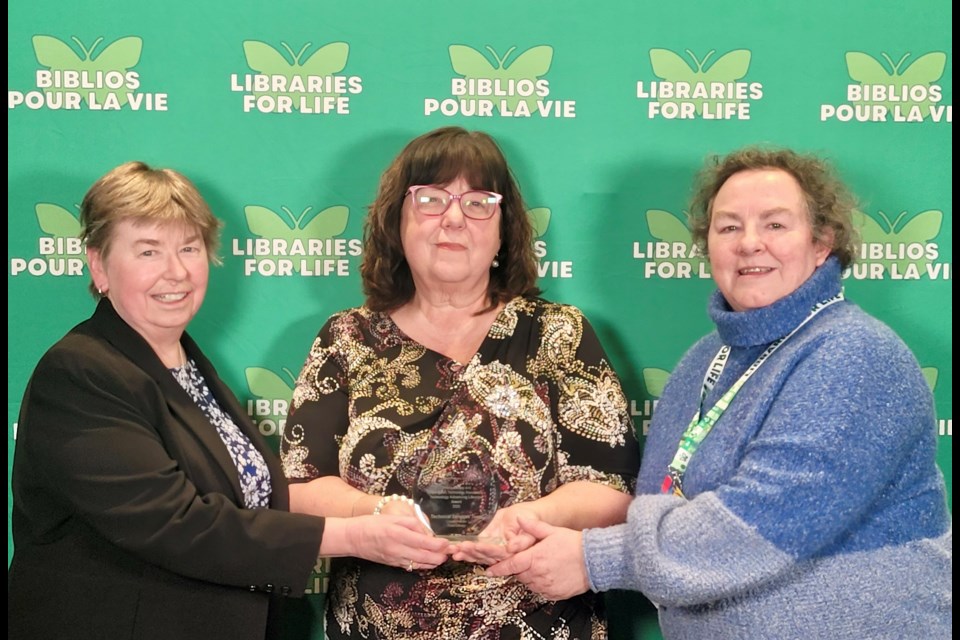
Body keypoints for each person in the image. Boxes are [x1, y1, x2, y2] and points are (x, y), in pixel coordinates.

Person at [486, 146, 952, 639]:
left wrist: (593, 558)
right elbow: (662, 503)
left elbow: (761, 522)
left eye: (775, 225)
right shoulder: (702, 363)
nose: (750, 243)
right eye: (729, 226)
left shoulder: (857, 355)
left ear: (822, 244)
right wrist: (543, 524)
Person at [8, 161, 449, 640]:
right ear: (99, 265)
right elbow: (179, 525)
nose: (175, 271)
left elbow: (252, 502)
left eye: (189, 248)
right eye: (148, 251)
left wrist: (377, 511)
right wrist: (357, 536)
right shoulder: (81, 373)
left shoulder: (188, 366)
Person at [280, 126, 641, 639]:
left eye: (478, 203)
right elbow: (297, 487)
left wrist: (527, 520)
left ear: (503, 231)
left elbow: (614, 489)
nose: (453, 218)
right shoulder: (347, 339)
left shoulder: (557, 333)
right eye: (430, 199)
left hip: (537, 618)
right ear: (396, 222)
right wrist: (374, 518)